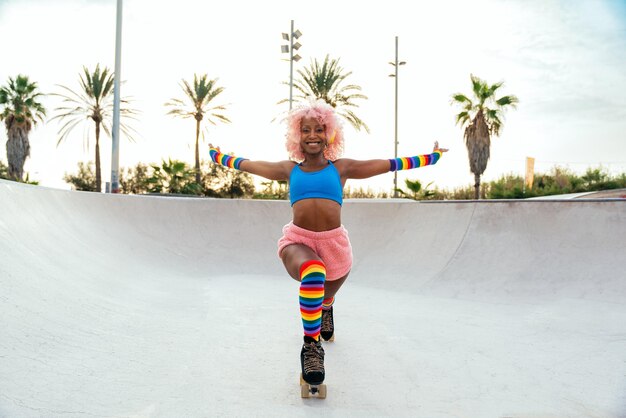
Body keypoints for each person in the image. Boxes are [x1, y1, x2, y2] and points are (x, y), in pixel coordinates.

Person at [208, 99, 448, 387]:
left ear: (330, 134)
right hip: (298, 241)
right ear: (297, 136)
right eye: (306, 130)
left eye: (319, 129)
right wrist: (217, 155)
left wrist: (431, 157)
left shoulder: (341, 168)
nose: (312, 135)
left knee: (323, 295)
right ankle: (311, 348)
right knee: (313, 272)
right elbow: (249, 165)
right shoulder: (289, 170)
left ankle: (326, 307)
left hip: (334, 245)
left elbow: (388, 165)